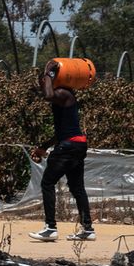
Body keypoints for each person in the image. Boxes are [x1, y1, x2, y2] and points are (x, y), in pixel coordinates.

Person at [30, 60, 94, 241]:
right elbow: (62, 132)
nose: (42, 85)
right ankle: (88, 229)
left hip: (68, 146)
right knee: (77, 187)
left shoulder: (63, 93)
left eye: (43, 82)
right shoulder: (66, 96)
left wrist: (48, 73)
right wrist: (44, 147)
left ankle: (50, 228)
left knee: (47, 183)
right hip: (76, 144)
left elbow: (48, 95)